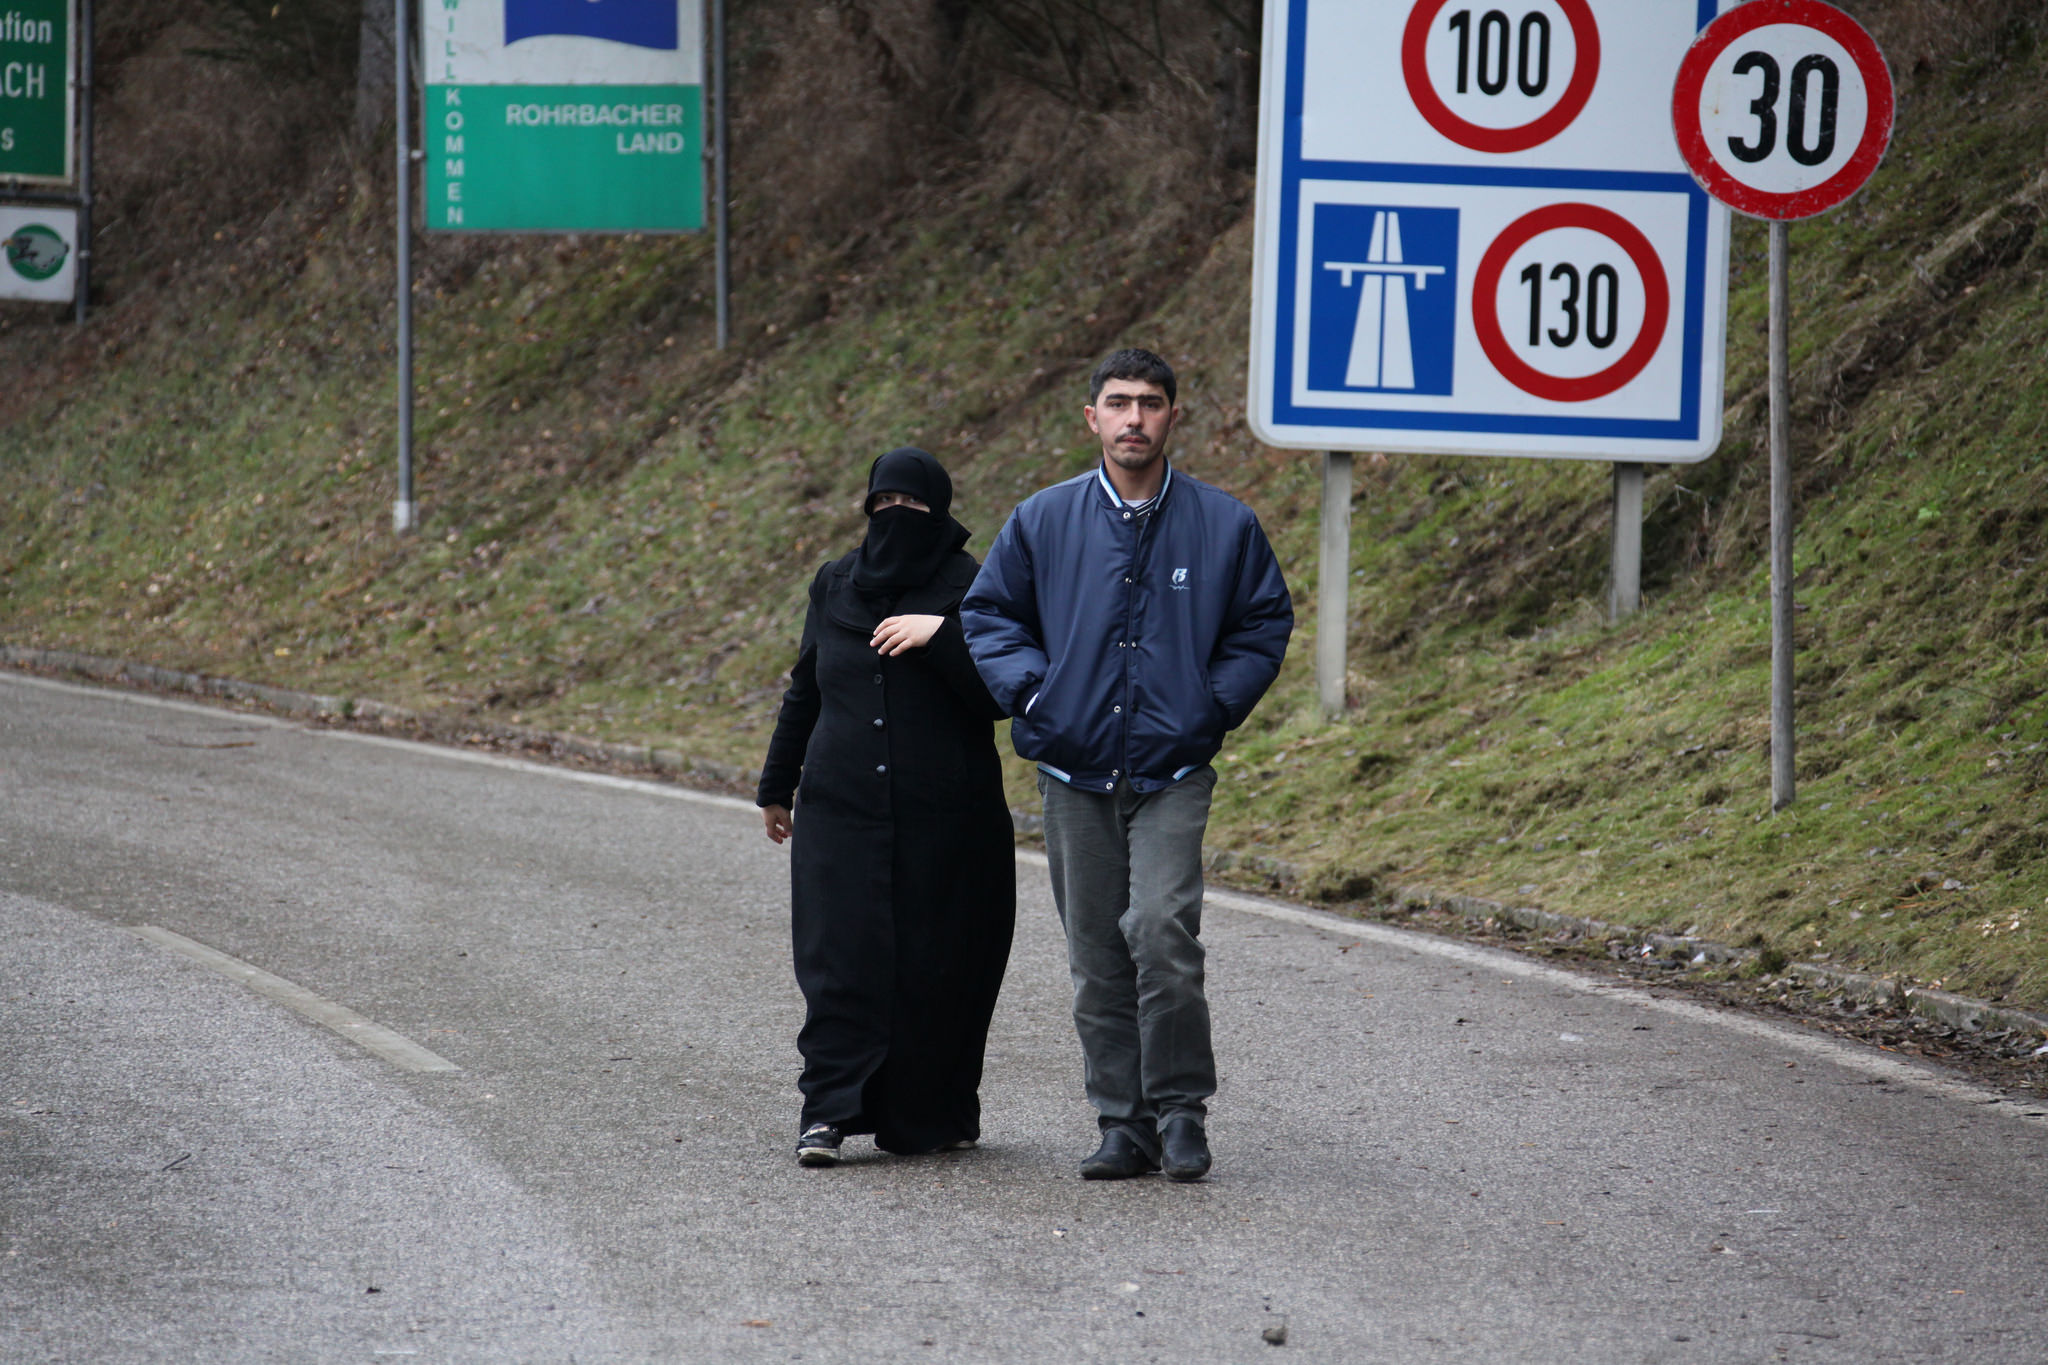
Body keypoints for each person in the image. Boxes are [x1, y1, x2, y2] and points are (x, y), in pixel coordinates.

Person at [962, 348, 1293, 1183]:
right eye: (1119, 402)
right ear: (1093, 418)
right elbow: (990, 614)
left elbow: (1261, 625)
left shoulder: (1225, 525)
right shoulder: (1042, 519)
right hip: (1073, 770)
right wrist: (1035, 696)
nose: (1134, 417)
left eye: (1150, 402)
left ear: (1174, 416)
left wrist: (1207, 708)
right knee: (1097, 958)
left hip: (1171, 770)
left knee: (1159, 931)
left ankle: (1182, 1112)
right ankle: (1123, 1121)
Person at [756, 447, 1017, 1167]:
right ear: (867, 509)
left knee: (941, 968)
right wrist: (778, 784)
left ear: (942, 514)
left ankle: (929, 1112)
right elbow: (806, 685)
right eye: (884, 506)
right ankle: (827, 1113)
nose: (896, 519)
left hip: (950, 823)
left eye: (914, 508)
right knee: (837, 962)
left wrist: (941, 637)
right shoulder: (835, 582)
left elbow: (1002, 693)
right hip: (839, 813)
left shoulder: (975, 585)